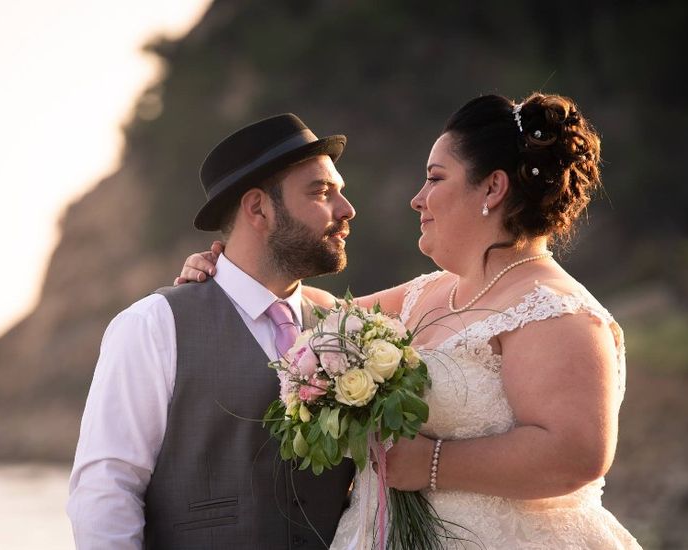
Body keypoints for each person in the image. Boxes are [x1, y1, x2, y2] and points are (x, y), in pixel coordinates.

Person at [177, 93, 642, 548]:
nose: (418, 199)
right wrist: (228, 274)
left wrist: (433, 464)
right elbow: (314, 315)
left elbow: (577, 453)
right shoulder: (431, 291)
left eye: (435, 179)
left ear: (493, 188)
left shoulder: (556, 310)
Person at [67, 113, 357, 549]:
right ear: (258, 208)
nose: (346, 210)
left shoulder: (347, 327)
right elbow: (106, 488)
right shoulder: (153, 325)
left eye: (340, 192)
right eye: (321, 192)